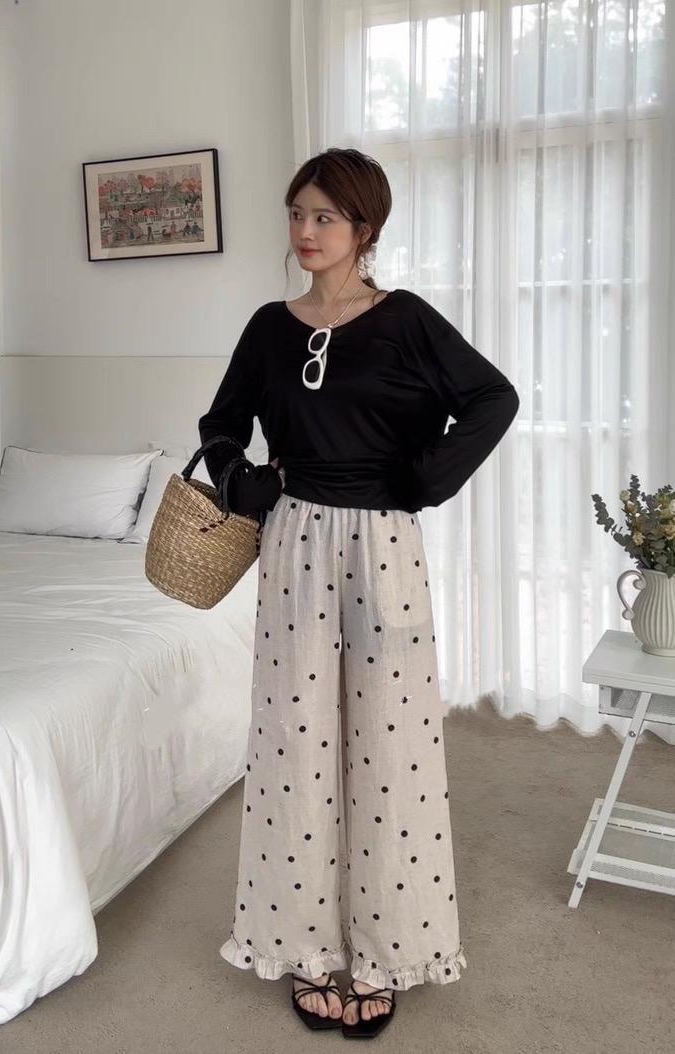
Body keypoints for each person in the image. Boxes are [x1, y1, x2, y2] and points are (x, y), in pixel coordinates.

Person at [198, 147, 519, 1037]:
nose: (305, 231)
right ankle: (302, 947)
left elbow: (492, 398)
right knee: (295, 744)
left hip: (383, 546)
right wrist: (242, 481)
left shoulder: (406, 320)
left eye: (325, 217)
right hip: (295, 541)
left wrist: (424, 479)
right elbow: (221, 423)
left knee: (391, 748)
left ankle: (386, 954)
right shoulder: (270, 327)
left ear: (364, 228)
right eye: (297, 213)